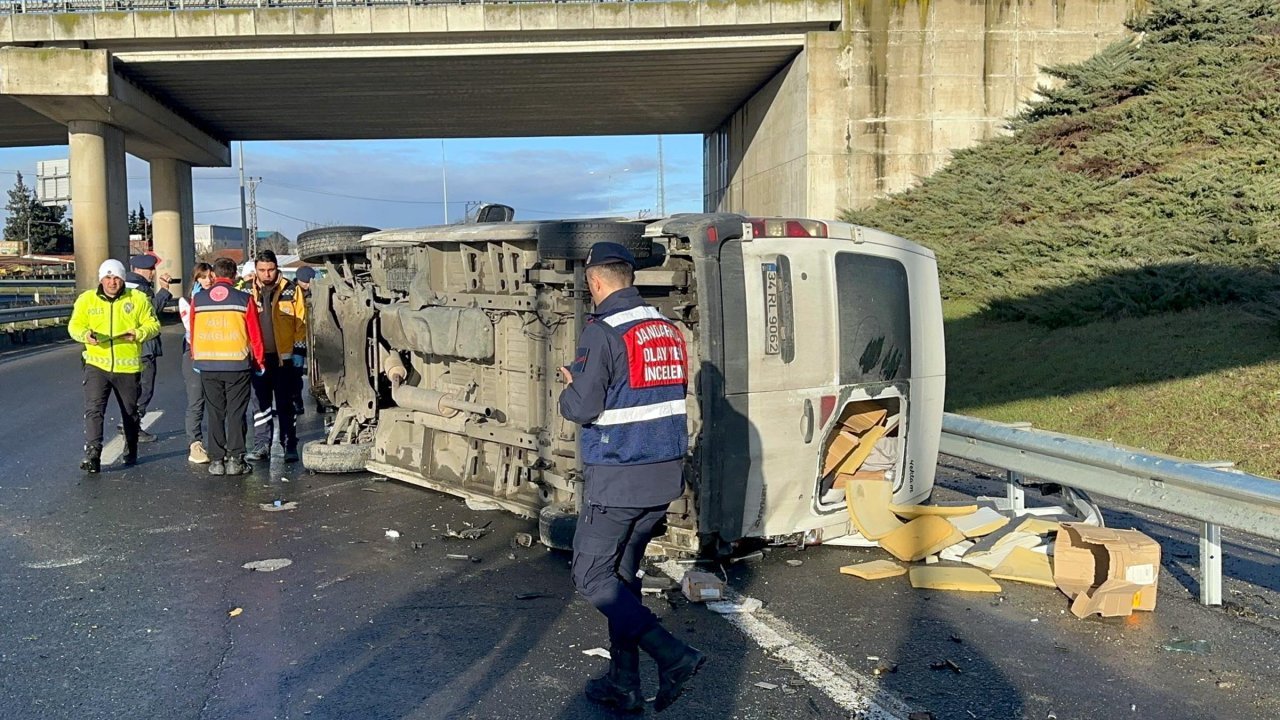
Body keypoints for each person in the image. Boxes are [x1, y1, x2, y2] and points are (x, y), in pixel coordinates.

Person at [557, 242, 705, 713]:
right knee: (622, 577)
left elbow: (583, 408)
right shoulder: (667, 329)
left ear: (595, 282)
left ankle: (673, 655)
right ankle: (623, 683)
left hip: (618, 478)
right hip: (662, 479)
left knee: (590, 576)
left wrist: (571, 388)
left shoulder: (603, 332)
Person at [68, 259, 161, 473]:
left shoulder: (137, 299)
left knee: (129, 412)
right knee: (94, 409)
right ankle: (93, 454)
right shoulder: (87, 300)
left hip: (127, 367)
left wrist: (138, 334)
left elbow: (153, 324)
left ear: (123, 279)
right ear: (101, 279)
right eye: (108, 278)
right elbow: (74, 325)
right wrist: (85, 335)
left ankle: (131, 447)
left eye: (117, 278)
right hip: (96, 364)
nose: (112, 282)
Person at [191, 257, 265, 476]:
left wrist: (196, 357)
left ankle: (216, 460)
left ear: (214, 275)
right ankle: (235, 459)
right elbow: (255, 334)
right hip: (237, 365)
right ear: (234, 275)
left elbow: (193, 331)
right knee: (236, 412)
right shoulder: (244, 299)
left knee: (215, 412)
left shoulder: (199, 299)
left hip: (208, 364)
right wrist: (259, 362)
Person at [245, 250, 307, 463]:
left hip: (285, 359)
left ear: (276, 268)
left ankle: (289, 445)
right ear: (256, 270)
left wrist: (299, 352)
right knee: (260, 404)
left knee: (286, 404)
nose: (267, 274)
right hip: (258, 359)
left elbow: (300, 322)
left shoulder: (291, 289)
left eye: (270, 269)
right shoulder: (246, 291)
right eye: (262, 270)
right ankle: (262, 445)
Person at [124, 253, 174, 443]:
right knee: (145, 387)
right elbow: (151, 311)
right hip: (144, 345)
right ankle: (132, 424)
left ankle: (129, 420)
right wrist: (164, 291)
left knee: (131, 387)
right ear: (139, 270)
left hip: (126, 346)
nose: (153, 273)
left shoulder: (123, 286)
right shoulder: (142, 289)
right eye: (150, 269)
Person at [178, 263, 215, 463]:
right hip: (194, 353)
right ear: (196, 279)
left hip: (218, 354)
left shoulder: (221, 298)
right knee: (196, 400)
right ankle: (195, 445)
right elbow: (192, 327)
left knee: (218, 402)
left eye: (210, 276)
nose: (208, 280)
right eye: (203, 277)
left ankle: (219, 443)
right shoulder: (186, 301)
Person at [290, 266, 316, 416]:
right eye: (304, 282)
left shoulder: (317, 292)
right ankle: (297, 401)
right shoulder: (292, 292)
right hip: (298, 339)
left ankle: (320, 400)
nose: (307, 284)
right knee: (296, 373)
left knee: (318, 371)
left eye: (309, 281)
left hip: (313, 337)